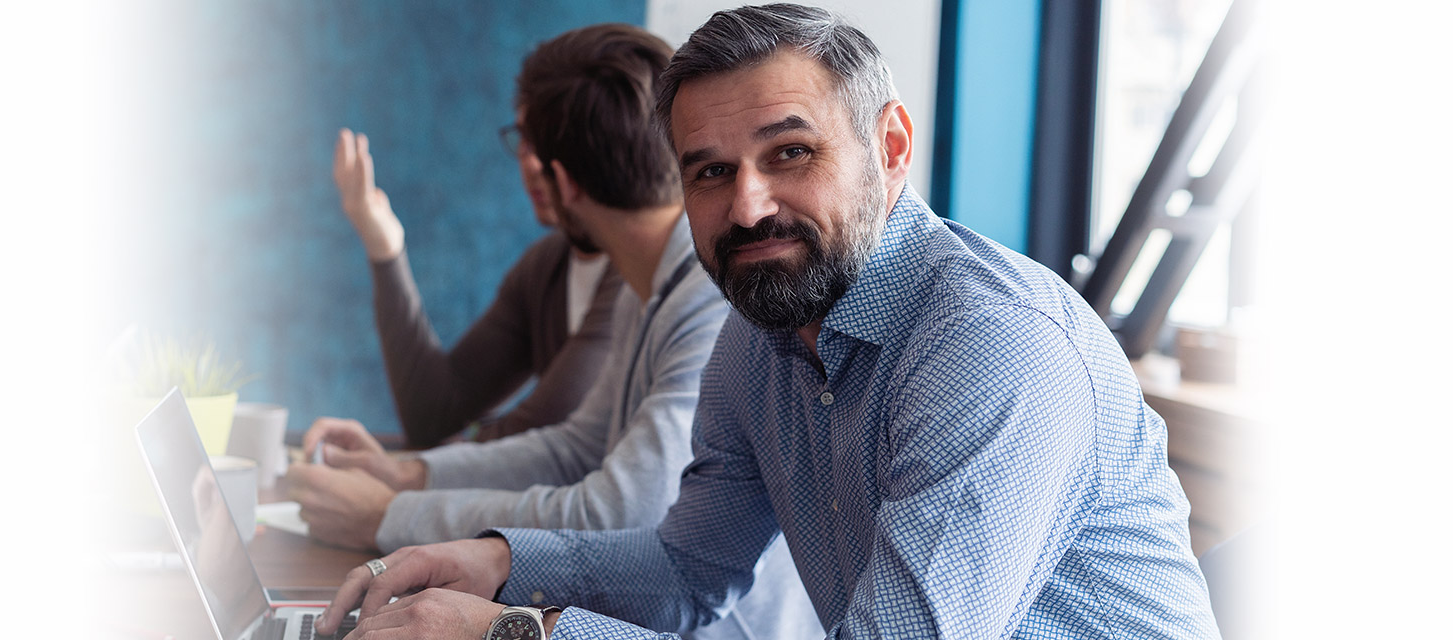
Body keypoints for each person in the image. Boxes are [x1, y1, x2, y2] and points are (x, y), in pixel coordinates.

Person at [313, 5, 1222, 639]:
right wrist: (493, 563)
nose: (748, 206)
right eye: (709, 172)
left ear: (891, 147)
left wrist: (516, 631)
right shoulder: (760, 334)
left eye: (791, 153)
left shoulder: (991, 349)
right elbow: (688, 572)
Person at [288, 23, 821, 640]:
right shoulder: (643, 281)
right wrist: (411, 478)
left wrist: (391, 515)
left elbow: (622, 508)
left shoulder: (718, 297)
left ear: (561, 180)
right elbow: (572, 447)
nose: (747, 202)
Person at [329, 66, 625, 451]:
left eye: (550, 139)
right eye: (524, 139)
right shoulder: (544, 267)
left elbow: (545, 434)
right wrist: (386, 249)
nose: (532, 163)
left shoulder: (635, 274)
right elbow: (432, 415)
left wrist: (411, 470)